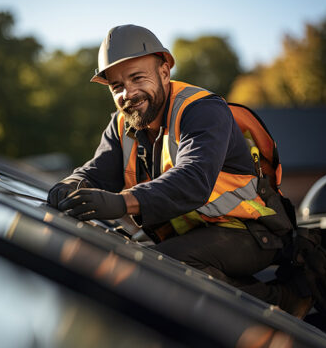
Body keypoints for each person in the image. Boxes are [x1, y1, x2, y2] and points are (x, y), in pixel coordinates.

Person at [47, 24, 311, 317]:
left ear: (164, 72)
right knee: (145, 261)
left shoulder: (203, 110)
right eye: (116, 87)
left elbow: (193, 179)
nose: (128, 94)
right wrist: (69, 185)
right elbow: (95, 172)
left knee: (165, 267)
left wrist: (121, 202)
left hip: (253, 231)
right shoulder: (123, 125)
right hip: (199, 234)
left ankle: (285, 300)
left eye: (137, 78)